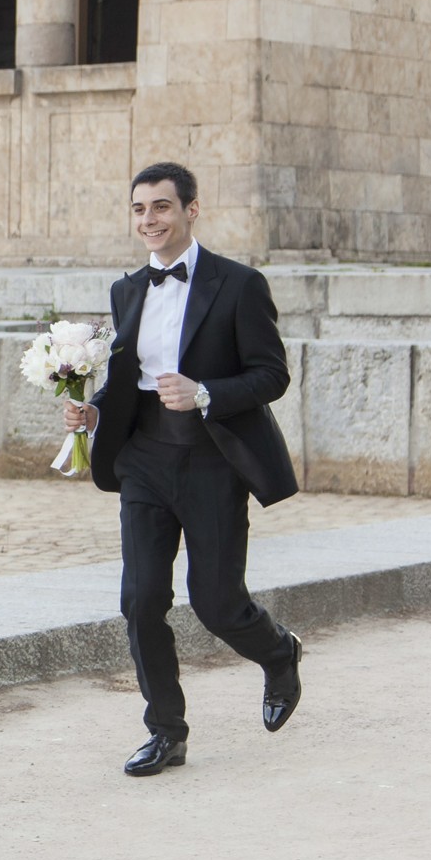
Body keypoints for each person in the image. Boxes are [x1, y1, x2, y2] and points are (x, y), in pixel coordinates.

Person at [62, 162, 303, 778]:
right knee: (140, 600)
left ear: (191, 211)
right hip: (143, 458)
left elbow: (272, 375)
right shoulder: (127, 290)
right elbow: (126, 380)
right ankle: (166, 731)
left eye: (162, 207)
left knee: (217, 603)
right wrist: (92, 414)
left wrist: (205, 394)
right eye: (140, 209)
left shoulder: (240, 284)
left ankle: (278, 652)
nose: (150, 220)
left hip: (212, 461)